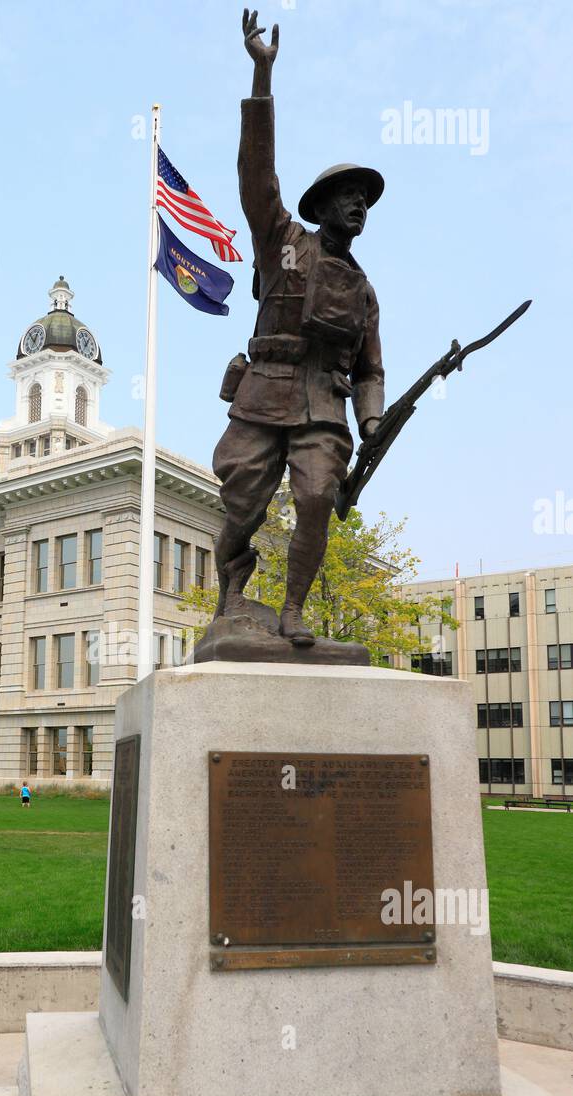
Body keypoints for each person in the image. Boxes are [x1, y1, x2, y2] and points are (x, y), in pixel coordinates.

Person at [212, 9, 385, 646]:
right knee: (242, 505)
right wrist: (262, 76)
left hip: (322, 405)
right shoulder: (282, 240)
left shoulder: (365, 291)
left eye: (365, 197)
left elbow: (370, 370)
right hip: (264, 390)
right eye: (348, 194)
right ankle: (233, 580)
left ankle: (292, 610)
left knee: (315, 500)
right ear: (321, 207)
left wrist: (372, 421)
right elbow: (255, 176)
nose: (359, 204)